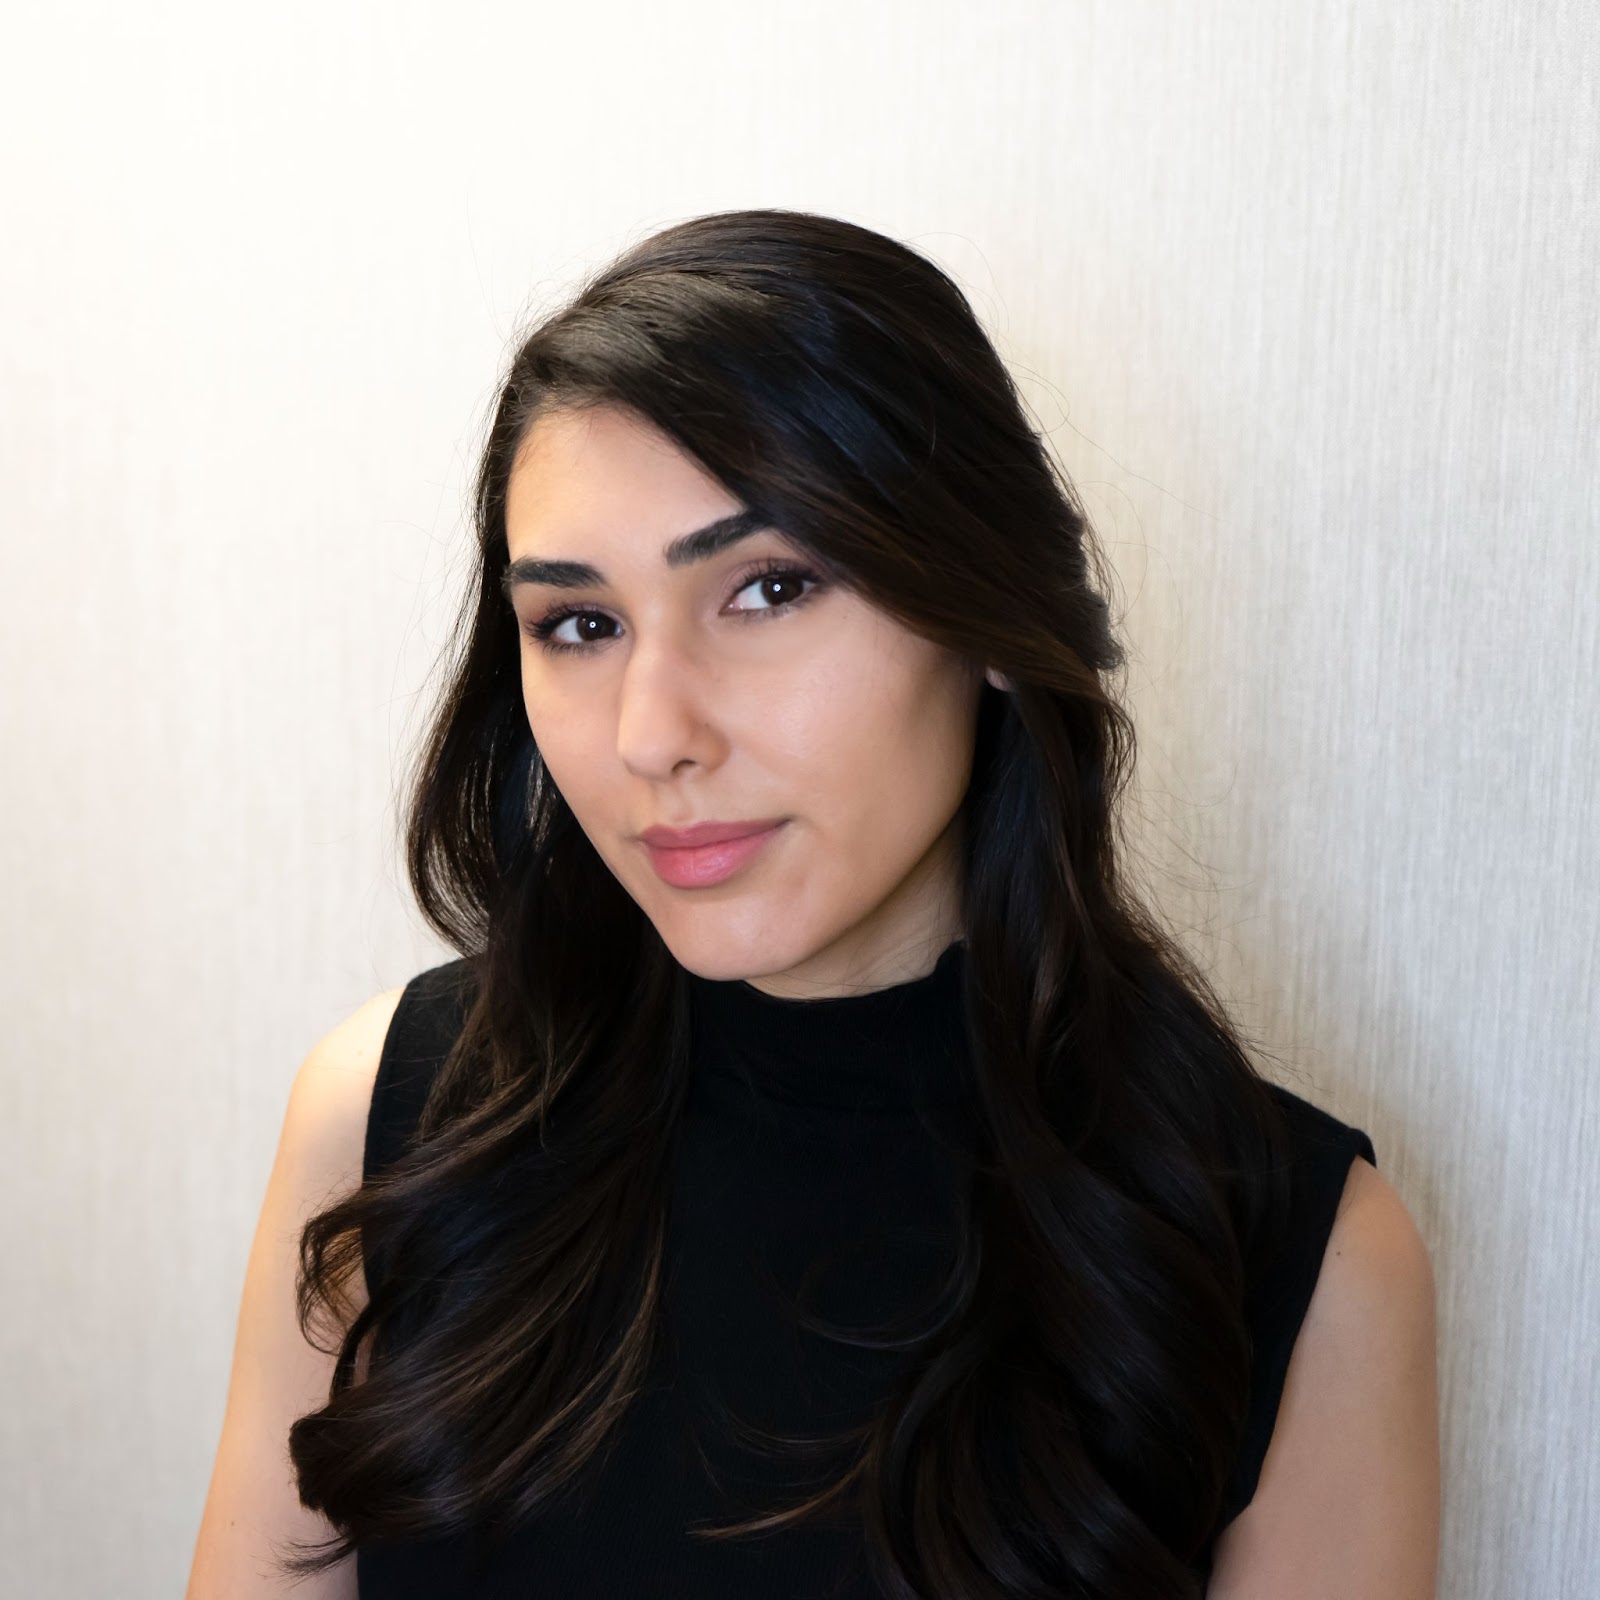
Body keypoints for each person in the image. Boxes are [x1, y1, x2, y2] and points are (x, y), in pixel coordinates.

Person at [186, 209, 1440, 1599]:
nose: (653, 734)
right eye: (580, 624)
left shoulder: (1299, 1257)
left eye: (770, 589)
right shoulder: (391, 1123)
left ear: (987, 614)